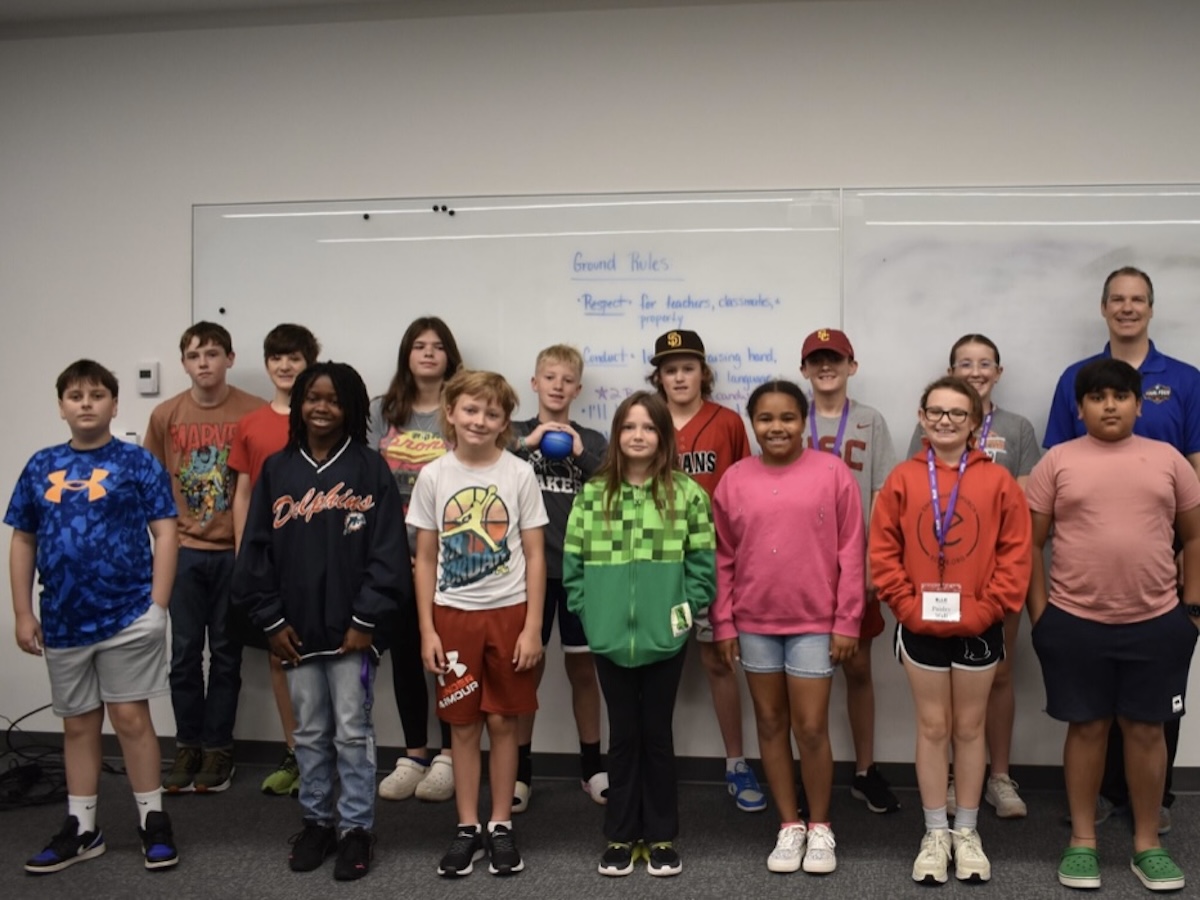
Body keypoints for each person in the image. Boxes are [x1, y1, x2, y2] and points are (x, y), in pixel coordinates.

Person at [231, 361, 411, 881]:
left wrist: (366, 619)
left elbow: (387, 553)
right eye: (313, 397)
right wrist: (269, 621)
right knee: (309, 732)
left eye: (334, 399)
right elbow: (256, 554)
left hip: (354, 635)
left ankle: (355, 829)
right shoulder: (278, 470)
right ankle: (316, 822)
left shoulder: (369, 468)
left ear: (352, 406)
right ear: (300, 403)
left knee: (353, 733)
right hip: (295, 633)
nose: (322, 407)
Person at [1028, 358, 1200, 893]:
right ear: (1080, 409)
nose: (1109, 405)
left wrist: (1191, 610)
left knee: (1148, 731)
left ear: (1138, 403)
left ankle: (1148, 844)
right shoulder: (1056, 461)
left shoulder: (1170, 460)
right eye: (1097, 397)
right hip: (1075, 622)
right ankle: (1083, 842)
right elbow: (1031, 545)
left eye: (1120, 396)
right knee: (1088, 729)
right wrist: (1042, 615)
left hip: (1156, 622)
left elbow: (1194, 537)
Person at [1044, 266, 1200, 835]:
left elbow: (1196, 470)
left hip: (1165, 564)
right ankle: (1102, 798)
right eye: (1118, 299)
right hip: (1087, 574)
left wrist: (1192, 582)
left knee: (1152, 709)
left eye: (1138, 300)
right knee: (1091, 708)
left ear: (1151, 308)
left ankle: (1148, 806)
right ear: (1103, 307)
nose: (1128, 308)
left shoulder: (1184, 378)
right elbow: (1057, 468)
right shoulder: (1075, 377)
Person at [8, 360, 180, 873]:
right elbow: (23, 538)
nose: (86, 403)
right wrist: (22, 610)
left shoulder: (136, 463)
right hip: (61, 619)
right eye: (76, 395)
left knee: (130, 718)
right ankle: (83, 827)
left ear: (115, 404)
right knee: (79, 725)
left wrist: (158, 606)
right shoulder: (40, 466)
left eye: (98, 394)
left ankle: (153, 820)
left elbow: (166, 531)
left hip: (128, 614)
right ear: (61, 406)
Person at [870, 376, 1031, 886]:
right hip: (920, 623)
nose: (945, 421)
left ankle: (967, 830)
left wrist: (990, 609)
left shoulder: (998, 481)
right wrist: (907, 606)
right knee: (933, 727)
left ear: (976, 422)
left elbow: (1015, 553)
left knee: (969, 728)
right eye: (936, 412)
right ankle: (935, 832)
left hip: (979, 625)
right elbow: (883, 551)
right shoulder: (902, 478)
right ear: (921, 417)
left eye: (957, 414)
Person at [711, 380, 864, 875]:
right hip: (754, 622)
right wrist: (724, 623)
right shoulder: (734, 479)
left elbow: (851, 554)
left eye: (787, 418)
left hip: (816, 623)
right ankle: (789, 825)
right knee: (771, 724)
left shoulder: (833, 472)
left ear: (804, 422)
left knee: (812, 727)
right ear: (753, 423)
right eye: (766, 419)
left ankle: (820, 826)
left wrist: (847, 620)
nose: (776, 428)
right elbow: (723, 558)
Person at [564, 391, 715, 878]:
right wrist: (593, 616)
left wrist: (684, 615)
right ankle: (621, 835)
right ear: (617, 435)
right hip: (609, 640)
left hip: (665, 637)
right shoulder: (593, 494)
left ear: (663, 436)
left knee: (657, 736)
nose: (638, 435)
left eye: (648, 427)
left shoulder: (687, 494)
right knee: (623, 737)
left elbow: (702, 566)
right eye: (629, 427)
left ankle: (662, 835)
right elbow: (573, 566)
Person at [408, 370, 548, 878]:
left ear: (504, 423)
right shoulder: (434, 476)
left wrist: (532, 627)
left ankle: (501, 825)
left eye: (491, 413)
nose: (479, 420)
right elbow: (424, 558)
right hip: (453, 619)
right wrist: (427, 629)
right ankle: (467, 827)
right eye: (470, 410)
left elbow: (535, 556)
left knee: (502, 722)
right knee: (462, 727)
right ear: (450, 412)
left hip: (509, 616)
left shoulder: (518, 474)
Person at [906, 334, 1040, 819]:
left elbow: (1020, 518)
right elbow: (907, 516)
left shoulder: (1017, 430)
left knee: (995, 684)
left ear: (997, 373)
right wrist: (906, 602)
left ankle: (996, 778)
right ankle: (941, 793)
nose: (976, 370)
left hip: (989, 591)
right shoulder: (919, 448)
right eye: (965, 362)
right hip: (928, 597)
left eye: (986, 363)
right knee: (937, 715)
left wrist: (994, 602)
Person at [144, 322, 264, 793]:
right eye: (195, 356)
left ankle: (219, 750)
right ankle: (187, 745)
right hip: (185, 553)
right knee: (184, 655)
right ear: (184, 363)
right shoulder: (165, 415)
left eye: (213, 354)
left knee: (228, 657)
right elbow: (150, 485)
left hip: (234, 553)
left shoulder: (252, 413)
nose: (204, 363)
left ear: (230, 358)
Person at [647, 328, 764, 813]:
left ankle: (735, 761)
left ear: (703, 373)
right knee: (651, 666)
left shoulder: (727, 421)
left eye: (688, 367)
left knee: (719, 661)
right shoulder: (645, 420)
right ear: (659, 376)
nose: (679, 376)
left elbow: (744, 489)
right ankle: (654, 767)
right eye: (670, 369)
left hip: (710, 561)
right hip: (655, 561)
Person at [799, 327, 899, 815]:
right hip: (801, 570)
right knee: (801, 672)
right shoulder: (792, 420)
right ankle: (806, 773)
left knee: (858, 668)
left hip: (854, 568)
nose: (825, 367)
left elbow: (883, 495)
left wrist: (874, 562)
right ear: (804, 370)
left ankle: (865, 770)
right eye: (816, 360)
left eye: (834, 358)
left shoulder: (870, 421)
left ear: (851, 366)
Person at [511, 344, 608, 812]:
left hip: (579, 573)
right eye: (548, 377)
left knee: (583, 669)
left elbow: (615, 485)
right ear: (534, 383)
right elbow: (486, 464)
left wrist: (581, 453)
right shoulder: (513, 435)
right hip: (524, 574)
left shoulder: (592, 438)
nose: (557, 386)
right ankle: (520, 771)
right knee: (525, 669)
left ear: (578, 388)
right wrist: (525, 447)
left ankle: (592, 767)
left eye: (567, 379)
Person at [372, 317, 463, 804]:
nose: (428, 353)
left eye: (437, 346)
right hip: (393, 557)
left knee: (447, 657)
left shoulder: (460, 409)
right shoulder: (381, 411)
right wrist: (393, 555)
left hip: (451, 558)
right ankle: (415, 752)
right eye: (419, 346)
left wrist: (432, 555)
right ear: (407, 354)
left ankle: (450, 753)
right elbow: (369, 484)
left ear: (450, 354)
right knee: (406, 654)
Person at [228, 323, 320, 797]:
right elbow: (242, 494)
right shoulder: (251, 424)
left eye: (294, 359)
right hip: (269, 558)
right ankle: (294, 752)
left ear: (310, 362)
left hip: (315, 556)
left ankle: (326, 753)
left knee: (325, 654)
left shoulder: (322, 418)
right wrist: (247, 553)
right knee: (280, 657)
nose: (285, 367)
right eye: (276, 358)